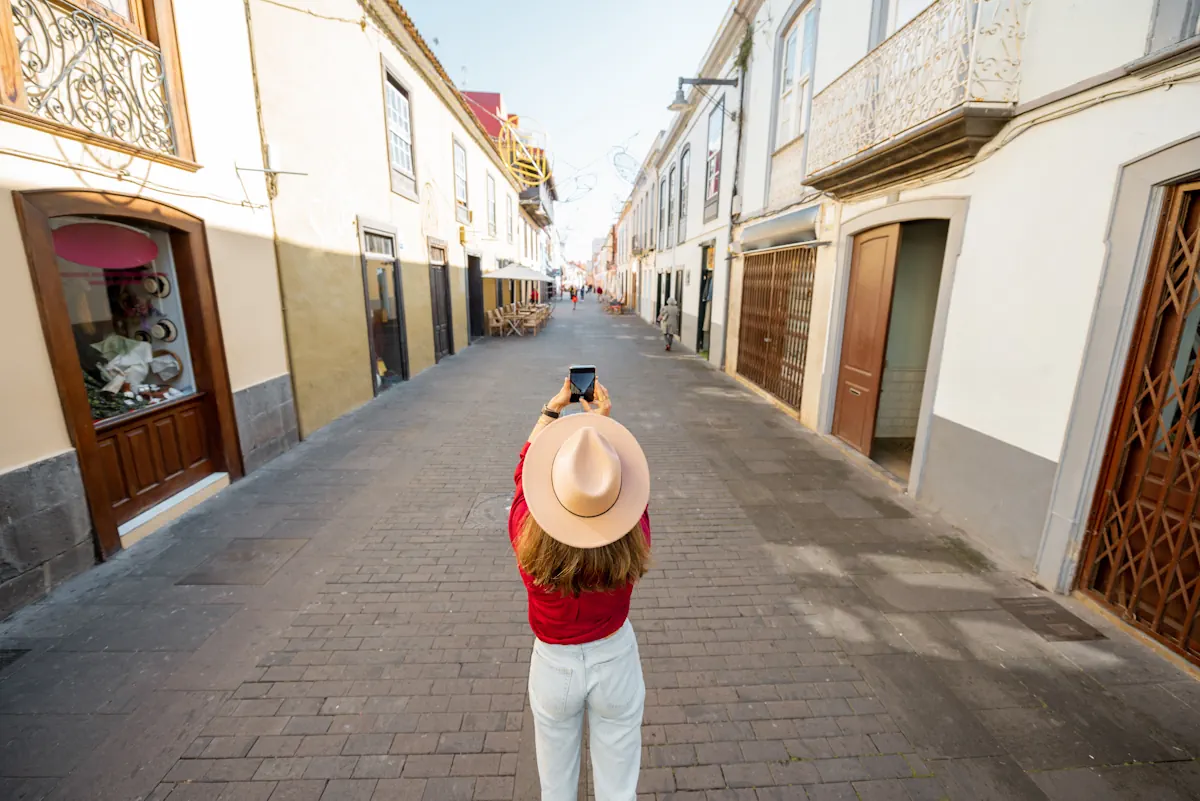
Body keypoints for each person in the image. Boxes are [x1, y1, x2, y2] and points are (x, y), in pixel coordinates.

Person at [509, 379, 651, 801]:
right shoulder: (633, 533)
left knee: (556, 788)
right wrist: (603, 431)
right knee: (618, 787)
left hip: (554, 665)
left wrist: (551, 412)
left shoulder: (525, 532)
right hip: (615, 659)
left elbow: (523, 478)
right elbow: (630, 487)